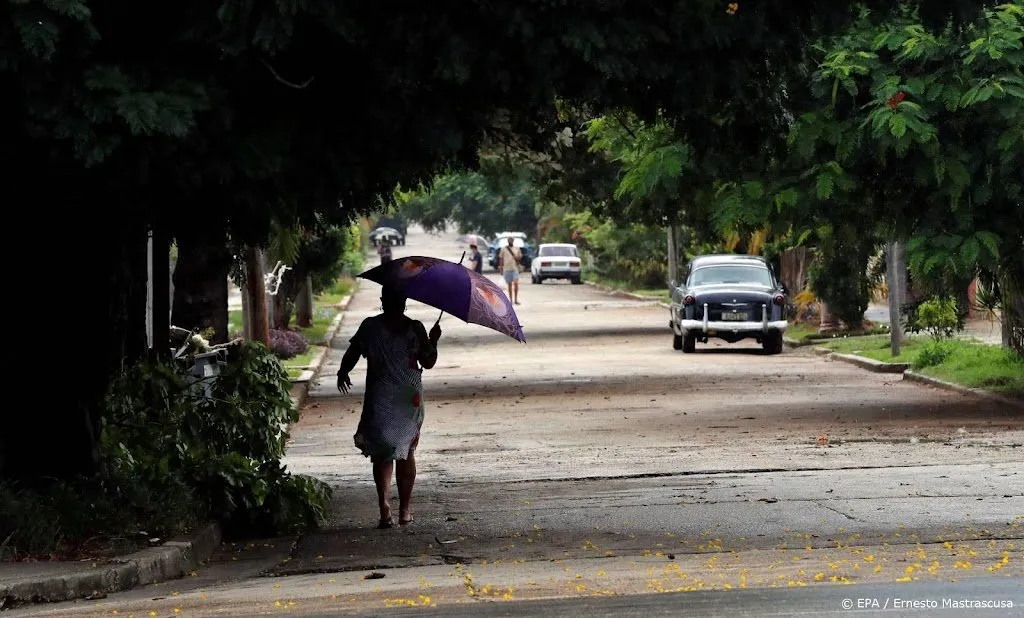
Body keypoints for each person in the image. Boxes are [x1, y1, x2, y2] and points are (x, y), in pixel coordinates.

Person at [336, 288, 442, 528]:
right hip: (408, 397)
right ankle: (404, 511)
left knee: (383, 452)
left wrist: (343, 371)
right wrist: (433, 339)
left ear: (383, 301)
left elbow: (353, 352)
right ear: (404, 303)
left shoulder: (370, 327)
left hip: (380, 394)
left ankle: (384, 506)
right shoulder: (415, 328)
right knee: (407, 451)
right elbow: (429, 361)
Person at [499, 237, 522, 304]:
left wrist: (516, 257)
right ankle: (511, 300)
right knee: (509, 285)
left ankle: (516, 299)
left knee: (516, 283)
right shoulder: (503, 249)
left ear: (513, 241)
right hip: (507, 268)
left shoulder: (517, 248)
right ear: (508, 241)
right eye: (509, 240)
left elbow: (520, 257)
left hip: (515, 268)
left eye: (511, 240)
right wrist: (501, 268)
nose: (510, 241)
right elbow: (501, 259)